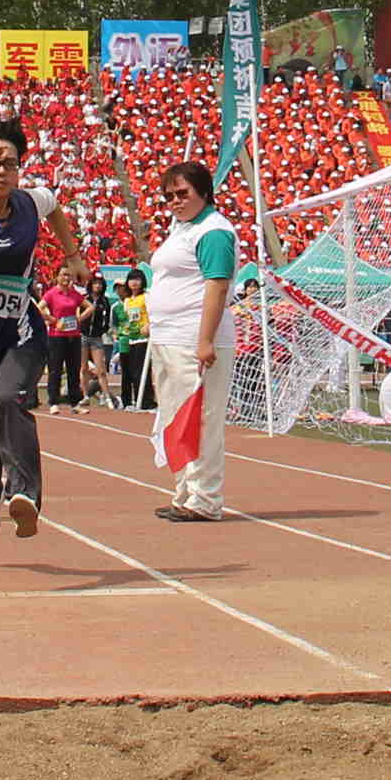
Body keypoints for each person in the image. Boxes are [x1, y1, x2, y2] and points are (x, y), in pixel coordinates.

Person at [0, 119, 87, 541]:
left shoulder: (29, 203)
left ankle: (23, 494)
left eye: (10, 163)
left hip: (18, 331)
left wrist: (72, 255)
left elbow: (54, 205)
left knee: (7, 400)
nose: (1, 171)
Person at [147, 160, 238, 523]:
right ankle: (185, 492)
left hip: (193, 340)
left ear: (204, 191)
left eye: (182, 193)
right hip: (168, 338)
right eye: (169, 196)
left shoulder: (214, 232)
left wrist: (205, 340)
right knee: (176, 420)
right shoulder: (182, 229)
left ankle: (205, 499)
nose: (175, 201)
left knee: (200, 420)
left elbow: (217, 285)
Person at [40, 267, 88, 415]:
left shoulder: (75, 294)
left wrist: (79, 319)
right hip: (56, 337)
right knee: (55, 370)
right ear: (57, 277)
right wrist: (53, 320)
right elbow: (39, 308)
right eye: (63, 275)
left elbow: (90, 307)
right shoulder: (52, 293)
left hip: (74, 336)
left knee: (74, 370)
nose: (66, 278)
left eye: (68, 275)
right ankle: (53, 402)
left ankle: (75, 403)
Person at [114, 271, 153, 410]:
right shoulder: (127, 301)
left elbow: (153, 314)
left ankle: (146, 401)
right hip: (131, 339)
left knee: (142, 371)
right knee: (133, 371)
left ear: (142, 281)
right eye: (131, 280)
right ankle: (137, 399)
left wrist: (148, 326)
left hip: (144, 339)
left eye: (137, 279)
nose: (134, 283)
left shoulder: (146, 297)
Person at [78, 274, 114, 408]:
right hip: (83, 336)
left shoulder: (105, 301)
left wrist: (102, 331)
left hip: (97, 338)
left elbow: (107, 320)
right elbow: (78, 315)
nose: (97, 286)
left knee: (101, 369)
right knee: (84, 368)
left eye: (100, 283)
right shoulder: (84, 299)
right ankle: (85, 396)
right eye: (95, 283)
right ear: (90, 285)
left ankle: (107, 396)